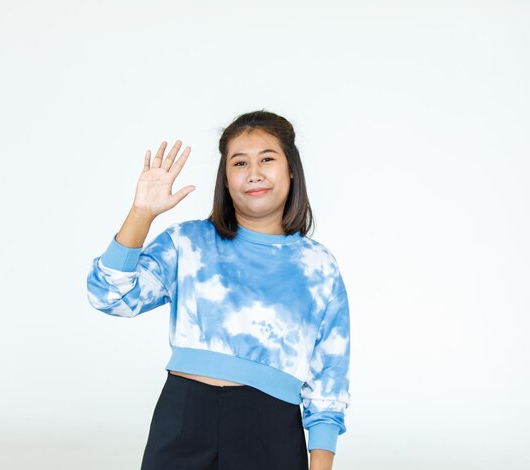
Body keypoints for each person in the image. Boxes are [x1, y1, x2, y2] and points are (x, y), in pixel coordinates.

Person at [86, 110, 351, 470]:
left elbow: (328, 381)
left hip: (271, 428)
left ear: (291, 169)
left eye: (267, 159)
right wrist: (141, 213)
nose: (254, 173)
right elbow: (109, 296)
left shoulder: (318, 266)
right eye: (239, 163)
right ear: (225, 180)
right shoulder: (187, 242)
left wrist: (321, 461)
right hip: (183, 418)